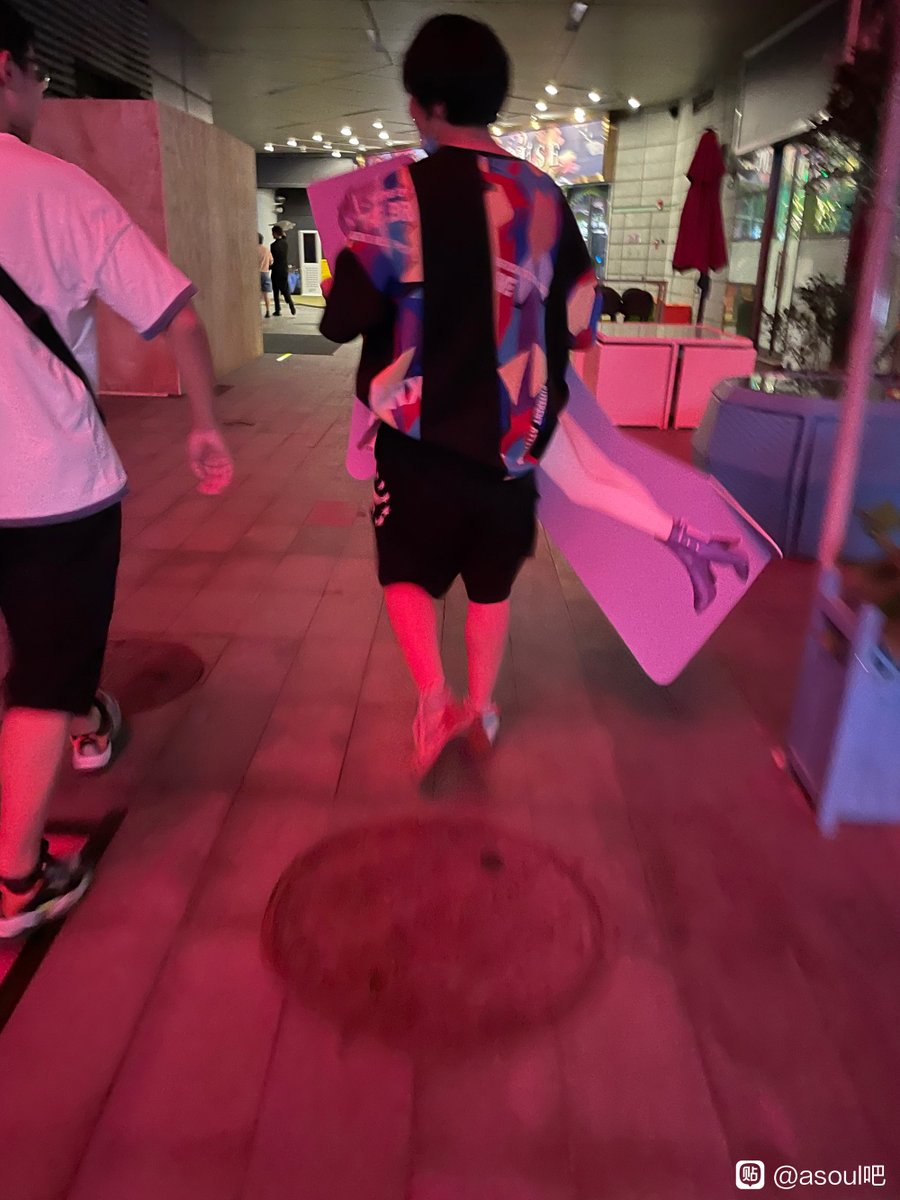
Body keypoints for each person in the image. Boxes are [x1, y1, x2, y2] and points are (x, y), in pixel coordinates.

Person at [321, 13, 747, 777]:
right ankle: (482, 707)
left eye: (415, 101)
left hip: (415, 448)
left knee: (406, 573)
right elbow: (581, 321)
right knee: (491, 584)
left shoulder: (389, 199)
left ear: (429, 105)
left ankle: (433, 700)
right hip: (513, 446)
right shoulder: (548, 198)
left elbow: (342, 318)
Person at [0, 0, 234, 938]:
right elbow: (178, 316)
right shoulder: (57, 190)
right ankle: (17, 880)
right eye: (39, 76)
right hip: (52, 488)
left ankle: (87, 720)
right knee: (44, 675)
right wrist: (205, 423)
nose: (39, 94)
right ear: (8, 68)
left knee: (37, 654)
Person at [269, 225, 295, 316]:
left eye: (273, 233)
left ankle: (277, 310)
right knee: (284, 288)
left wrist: (269, 267)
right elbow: (284, 236)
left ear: (275, 233)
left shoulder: (273, 246)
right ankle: (290, 302)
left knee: (275, 291)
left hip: (276, 270)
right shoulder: (285, 243)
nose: (272, 235)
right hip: (284, 269)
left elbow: (274, 260)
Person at [258, 231, 273, 318]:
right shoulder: (266, 250)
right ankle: (268, 311)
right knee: (266, 294)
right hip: (265, 273)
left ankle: (257, 311)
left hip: (255, 274)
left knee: (256, 294)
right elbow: (271, 261)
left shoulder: (252, 250)